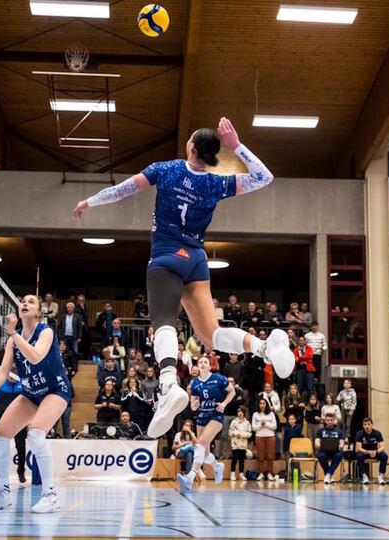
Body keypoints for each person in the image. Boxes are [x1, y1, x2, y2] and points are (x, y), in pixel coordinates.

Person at [73, 118, 294, 439]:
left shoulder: (166, 169)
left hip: (166, 256)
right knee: (211, 335)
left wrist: (89, 201)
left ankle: (168, 382)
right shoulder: (216, 183)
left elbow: (122, 190)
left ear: (191, 147)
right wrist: (237, 145)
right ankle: (264, 347)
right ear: (212, 153)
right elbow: (264, 177)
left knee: (163, 320)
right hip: (196, 261)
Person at [0, 295, 73, 513]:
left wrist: (12, 334)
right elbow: (3, 372)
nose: (25, 304)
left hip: (55, 389)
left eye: (31, 301)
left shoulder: (45, 331)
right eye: (23, 301)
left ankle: (50, 496)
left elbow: (36, 356)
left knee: (36, 434)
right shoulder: (13, 340)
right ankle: (2, 494)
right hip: (31, 393)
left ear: (38, 312)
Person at [177, 356, 235, 491]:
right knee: (205, 452)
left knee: (200, 444)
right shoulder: (195, 383)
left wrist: (225, 403)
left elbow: (232, 391)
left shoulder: (219, 378)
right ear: (197, 367)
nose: (203, 364)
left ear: (210, 366)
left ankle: (189, 477)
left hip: (216, 415)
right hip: (202, 415)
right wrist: (194, 405)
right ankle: (216, 466)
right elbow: (192, 406)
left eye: (205, 362)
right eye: (200, 362)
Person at [0, 374, 28, 484]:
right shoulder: (1, 385)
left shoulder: (22, 385)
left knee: (21, 447)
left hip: (20, 419)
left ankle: (21, 472)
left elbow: (28, 402)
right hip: (4, 419)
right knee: (1, 448)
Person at [354, 417, 389, 485]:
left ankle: (380, 477)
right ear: (363, 426)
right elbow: (358, 448)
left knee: (384, 455)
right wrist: (368, 452)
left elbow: (382, 447)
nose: (367, 426)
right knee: (359, 455)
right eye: (365, 424)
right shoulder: (359, 434)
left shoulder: (377, 433)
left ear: (372, 425)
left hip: (375, 452)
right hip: (365, 452)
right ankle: (364, 477)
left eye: (368, 424)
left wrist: (376, 452)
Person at [315, 413, 346, 484]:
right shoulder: (320, 431)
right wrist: (322, 446)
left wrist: (340, 446)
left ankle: (328, 475)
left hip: (335, 451)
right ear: (325, 421)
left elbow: (342, 443)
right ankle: (329, 476)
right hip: (323, 451)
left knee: (339, 455)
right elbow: (316, 443)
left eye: (331, 420)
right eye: (328, 420)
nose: (329, 421)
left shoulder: (339, 431)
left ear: (334, 421)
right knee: (320, 455)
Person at [252, 398, 278, 480]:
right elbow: (254, 428)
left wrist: (266, 424)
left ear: (266, 405)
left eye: (264, 403)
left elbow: (274, 426)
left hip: (270, 436)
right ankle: (261, 473)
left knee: (270, 456)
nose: (262, 405)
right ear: (258, 405)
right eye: (261, 403)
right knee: (260, 456)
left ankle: (270, 473)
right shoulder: (255, 414)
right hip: (259, 437)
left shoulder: (271, 414)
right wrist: (260, 425)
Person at [228, 408, 252, 481]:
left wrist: (242, 435)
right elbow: (230, 432)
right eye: (238, 412)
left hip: (243, 445)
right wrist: (235, 434)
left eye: (241, 412)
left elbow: (249, 433)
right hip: (235, 444)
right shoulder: (234, 422)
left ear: (244, 413)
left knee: (242, 460)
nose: (240, 413)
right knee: (234, 460)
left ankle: (241, 474)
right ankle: (232, 474)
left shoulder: (247, 423)